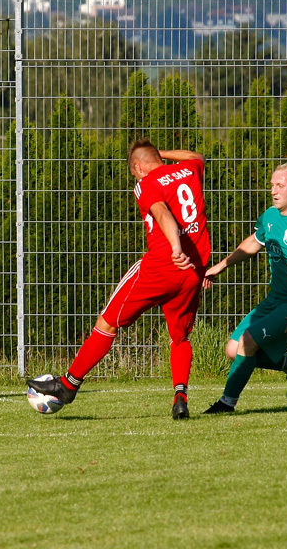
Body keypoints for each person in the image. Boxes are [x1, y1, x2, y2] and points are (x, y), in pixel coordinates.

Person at [27, 138, 211, 420]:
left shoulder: (146, 183)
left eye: (134, 171)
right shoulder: (190, 169)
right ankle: (180, 398)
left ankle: (68, 385)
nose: (135, 178)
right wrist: (157, 154)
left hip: (162, 267)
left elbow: (161, 213)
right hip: (193, 271)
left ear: (138, 166)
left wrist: (175, 246)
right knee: (179, 337)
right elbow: (196, 154)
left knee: (106, 324)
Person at [202, 162, 287, 414]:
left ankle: (226, 403)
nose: (273, 191)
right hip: (276, 298)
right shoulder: (271, 216)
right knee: (233, 349)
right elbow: (254, 241)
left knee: (247, 342)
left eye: (280, 185)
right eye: (272, 185)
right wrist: (221, 265)